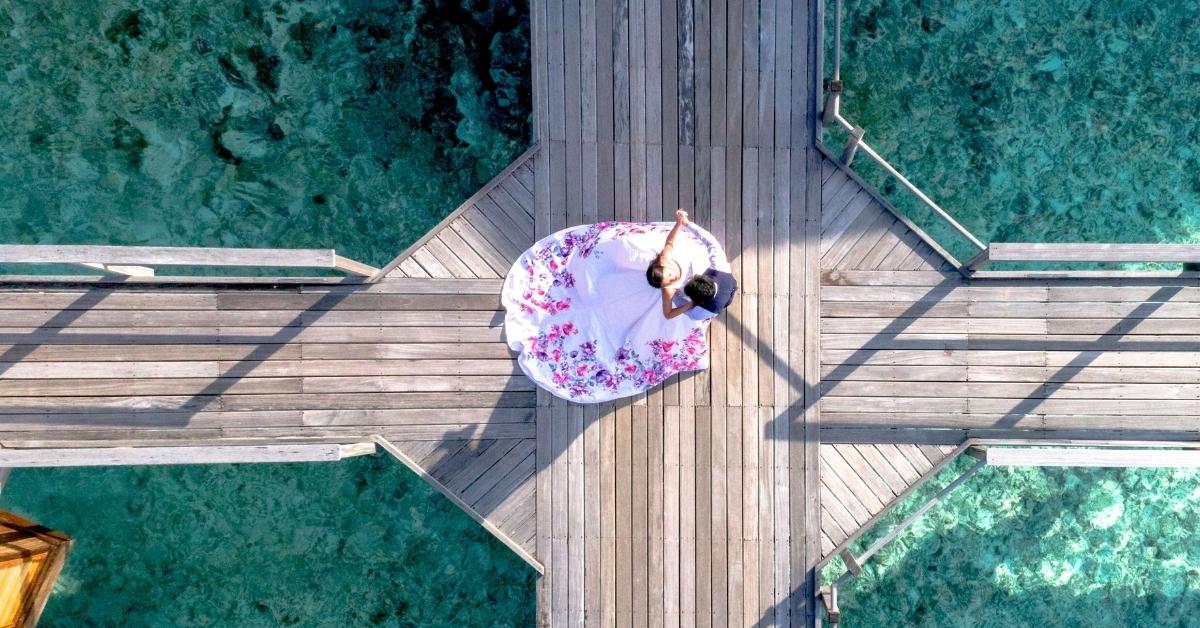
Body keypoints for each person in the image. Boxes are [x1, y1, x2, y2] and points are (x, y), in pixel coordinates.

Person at [502, 212, 731, 403]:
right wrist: (689, 304)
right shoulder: (668, 291)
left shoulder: (664, 257)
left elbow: (670, 241)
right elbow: (668, 313)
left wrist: (681, 223)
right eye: (668, 280)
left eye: (669, 275)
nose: (672, 278)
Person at [648, 210, 737, 321]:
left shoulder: (702, 312)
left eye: (670, 275)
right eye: (670, 281)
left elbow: (671, 314)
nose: (674, 278)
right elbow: (712, 243)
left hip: (723, 292)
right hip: (726, 284)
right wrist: (685, 224)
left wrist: (688, 306)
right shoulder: (720, 268)